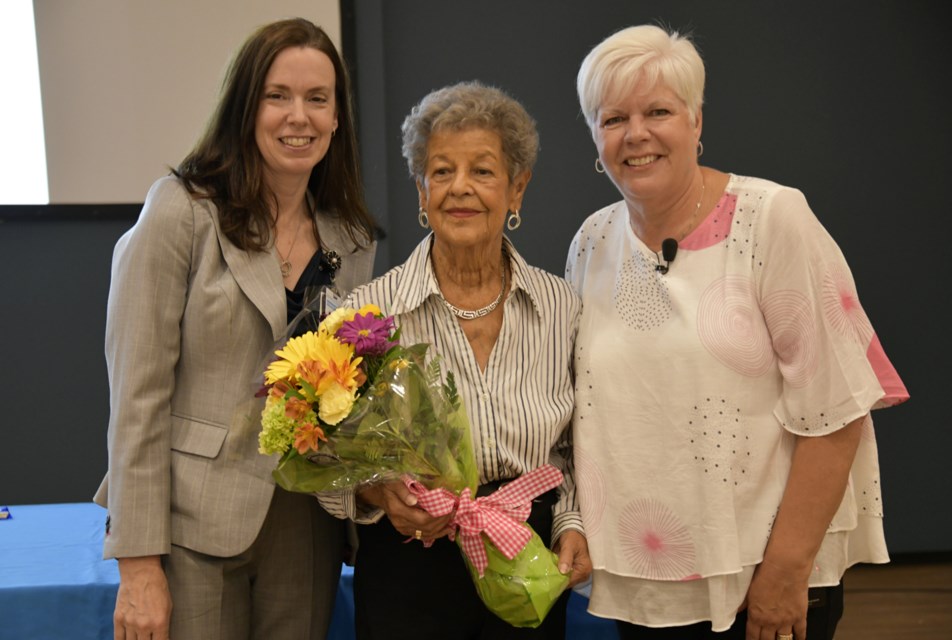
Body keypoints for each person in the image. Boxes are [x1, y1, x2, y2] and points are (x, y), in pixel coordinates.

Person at [565, 25, 909, 640]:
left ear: (696, 121)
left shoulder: (773, 218)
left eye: (659, 111)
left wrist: (784, 572)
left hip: (763, 579)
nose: (636, 133)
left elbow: (838, 409)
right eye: (613, 117)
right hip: (649, 584)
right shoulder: (593, 240)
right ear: (595, 135)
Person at [93, 18, 377, 640]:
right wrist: (139, 564)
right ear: (245, 106)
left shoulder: (351, 239)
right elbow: (137, 398)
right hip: (192, 523)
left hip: (306, 525)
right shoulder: (181, 210)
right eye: (278, 96)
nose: (297, 116)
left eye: (317, 99)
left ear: (337, 118)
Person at [317, 81, 592, 639]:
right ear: (420, 192)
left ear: (518, 189)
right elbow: (323, 458)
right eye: (441, 172)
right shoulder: (368, 315)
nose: (460, 188)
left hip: (526, 560)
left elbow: (575, 448)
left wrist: (570, 522)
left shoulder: (562, 305)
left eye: (483, 171)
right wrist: (377, 492)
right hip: (410, 564)